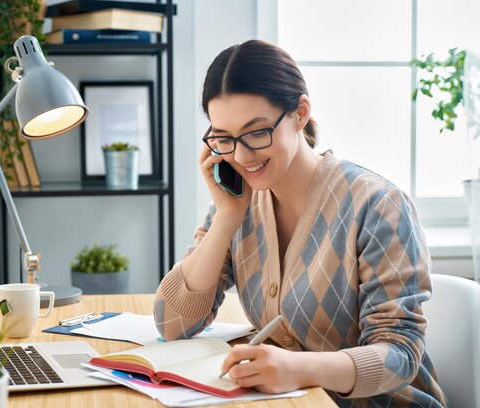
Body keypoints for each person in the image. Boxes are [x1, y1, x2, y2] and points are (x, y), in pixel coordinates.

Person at [153, 40, 447, 407]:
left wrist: (301, 368)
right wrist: (227, 217)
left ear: (300, 112)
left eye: (257, 132)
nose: (242, 155)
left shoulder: (377, 205)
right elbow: (172, 324)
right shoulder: (237, 202)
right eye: (224, 138)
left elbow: (401, 355)